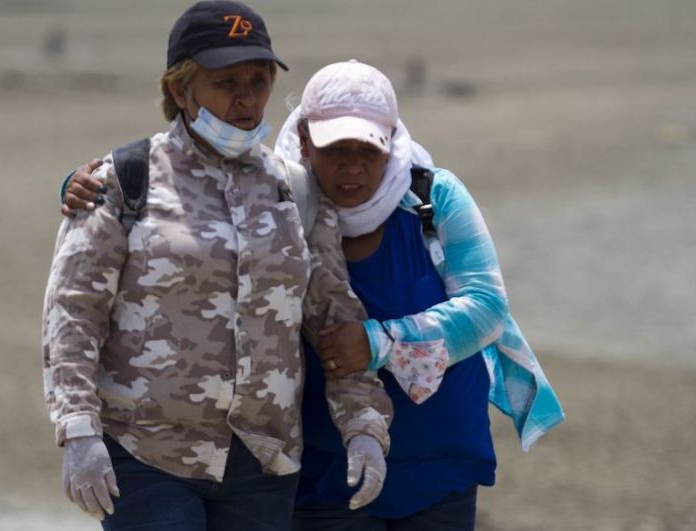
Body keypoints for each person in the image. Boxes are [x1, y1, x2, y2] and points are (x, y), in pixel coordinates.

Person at [64, 59, 565, 530]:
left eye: (369, 151)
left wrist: (377, 341)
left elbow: (487, 307)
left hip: (440, 459)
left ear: (392, 141)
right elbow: (187, 223)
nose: (353, 170)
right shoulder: (282, 195)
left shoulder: (435, 198)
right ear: (304, 141)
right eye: (336, 151)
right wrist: (86, 187)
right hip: (323, 468)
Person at [42, 4, 392, 531]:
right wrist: (78, 430)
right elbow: (73, 311)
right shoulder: (123, 181)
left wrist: (364, 425)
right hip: (146, 454)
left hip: (263, 462)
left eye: (259, 80)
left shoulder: (295, 190)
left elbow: (334, 320)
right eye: (226, 82)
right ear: (181, 91)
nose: (247, 99)